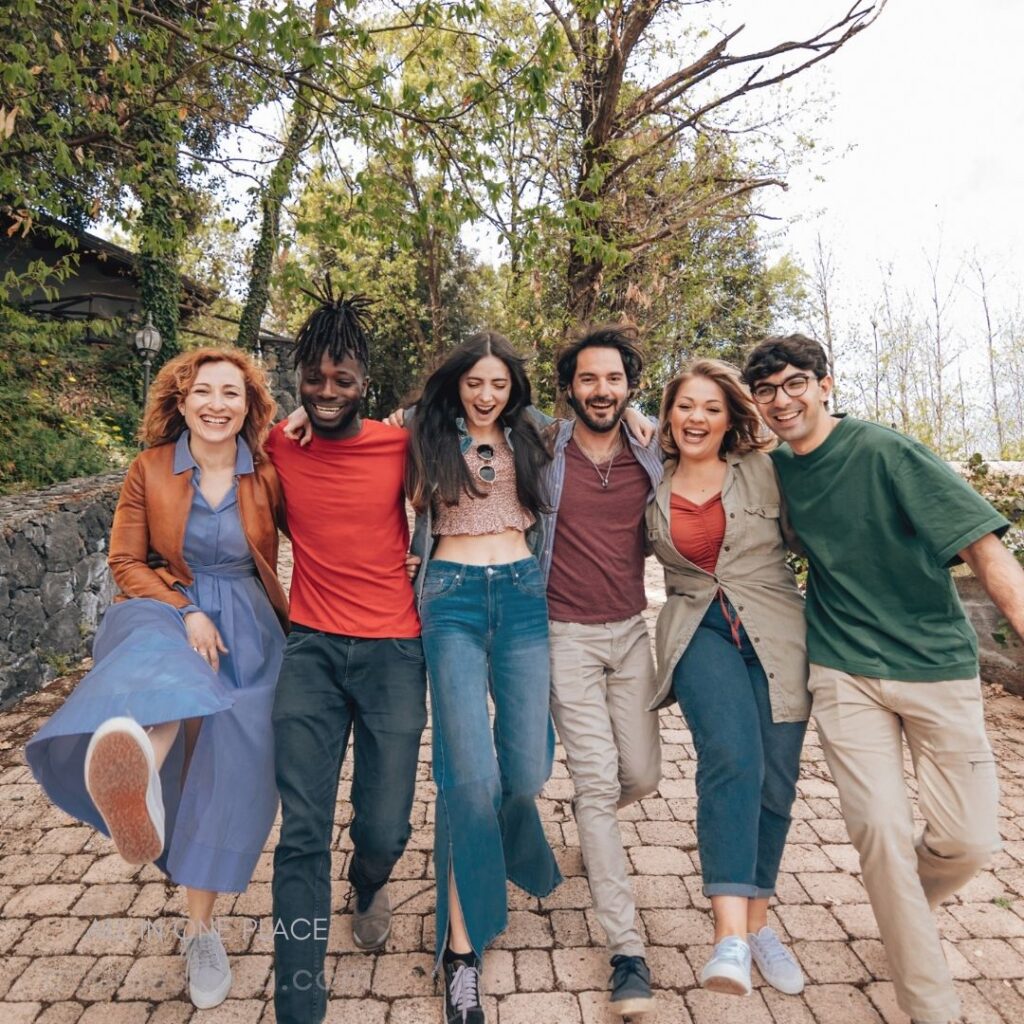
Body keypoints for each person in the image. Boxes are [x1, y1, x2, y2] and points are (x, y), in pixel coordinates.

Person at [742, 334, 1021, 1024]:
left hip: (936, 666)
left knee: (969, 841)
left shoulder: (886, 452)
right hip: (843, 668)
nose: (783, 400)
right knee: (880, 832)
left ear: (826, 384)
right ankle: (932, 1008)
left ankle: (904, 907)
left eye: (795, 383)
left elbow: (986, 552)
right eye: (767, 390)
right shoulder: (775, 470)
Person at [26, 347, 288, 1010]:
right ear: (180, 400)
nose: (217, 404)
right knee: (167, 671)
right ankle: (138, 785)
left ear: (250, 407)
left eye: (232, 394)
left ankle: (201, 928)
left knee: (233, 766)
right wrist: (189, 610)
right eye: (203, 392)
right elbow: (124, 560)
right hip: (162, 609)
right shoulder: (150, 470)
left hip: (250, 629)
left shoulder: (268, 473)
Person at [266, 291, 427, 1024]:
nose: (327, 393)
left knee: (385, 825)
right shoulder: (277, 444)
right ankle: (300, 1000)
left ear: (368, 383)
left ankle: (368, 881)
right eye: (315, 379)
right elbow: (196, 421)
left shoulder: (401, 447)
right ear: (297, 376)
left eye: (344, 380)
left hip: (395, 650)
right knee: (301, 829)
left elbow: (501, 417)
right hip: (312, 650)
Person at [406, 331, 561, 1024]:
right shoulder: (422, 436)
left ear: (513, 388)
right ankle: (461, 953)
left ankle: (512, 845)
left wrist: (643, 417)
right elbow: (350, 440)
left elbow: (616, 430)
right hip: (452, 599)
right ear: (457, 382)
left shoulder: (535, 437)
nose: (487, 395)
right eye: (476, 383)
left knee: (524, 773)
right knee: (468, 776)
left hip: (524, 596)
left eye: (499, 384)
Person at [645, 358, 809, 998]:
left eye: (712, 408)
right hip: (698, 632)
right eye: (686, 405)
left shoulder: (767, 471)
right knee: (731, 759)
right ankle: (729, 940)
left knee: (776, 778)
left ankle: (760, 922)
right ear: (669, 414)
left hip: (777, 635)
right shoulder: (649, 481)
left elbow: (820, 535)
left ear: (730, 416)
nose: (697, 418)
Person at [536, 325, 664, 1016]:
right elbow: (455, 407)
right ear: (570, 389)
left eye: (613, 379)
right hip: (565, 636)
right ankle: (628, 949)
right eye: (588, 379)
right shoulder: (544, 446)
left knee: (641, 775)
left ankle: (593, 824)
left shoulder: (652, 453)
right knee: (594, 780)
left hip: (630, 631)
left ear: (630, 385)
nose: (602, 390)